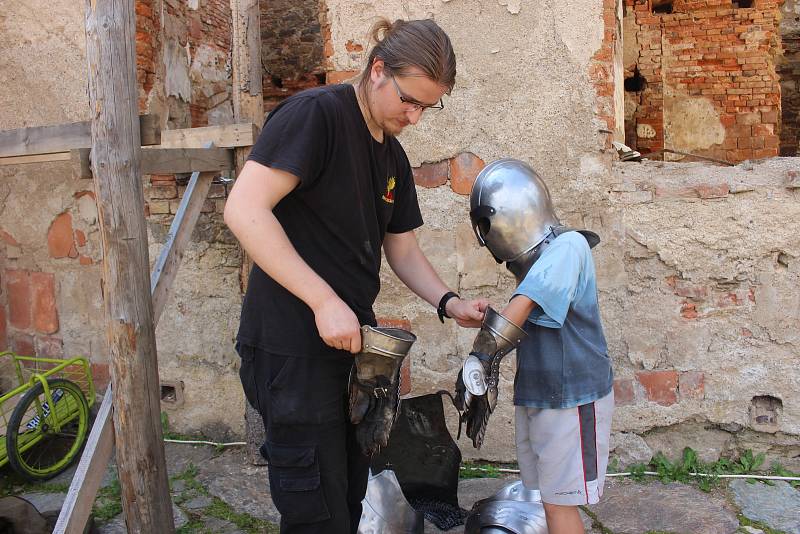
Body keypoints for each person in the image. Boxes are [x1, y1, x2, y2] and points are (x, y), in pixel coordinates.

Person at [223, 18, 487, 534]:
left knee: (347, 501)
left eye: (426, 107)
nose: (413, 116)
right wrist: (323, 300)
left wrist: (449, 302)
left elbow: (402, 248)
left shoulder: (391, 154)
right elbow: (244, 210)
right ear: (377, 69)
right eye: (408, 100)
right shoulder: (315, 116)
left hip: (351, 353)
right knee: (313, 514)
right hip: (289, 348)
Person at [463, 159, 614, 534]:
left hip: (572, 399)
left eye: (486, 225)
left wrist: (481, 357)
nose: (485, 237)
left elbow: (527, 302)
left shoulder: (569, 245)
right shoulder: (541, 268)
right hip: (542, 397)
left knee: (560, 506)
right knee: (548, 499)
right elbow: (525, 321)